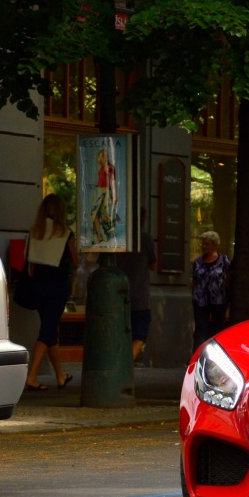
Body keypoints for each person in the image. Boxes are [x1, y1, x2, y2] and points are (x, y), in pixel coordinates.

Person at [23, 193, 80, 390]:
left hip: (37, 286)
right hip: (57, 287)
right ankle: (31, 376)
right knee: (47, 330)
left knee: (50, 329)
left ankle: (60, 375)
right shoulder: (65, 233)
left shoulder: (34, 231)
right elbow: (76, 261)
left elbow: (26, 257)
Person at [115, 210, 158, 363]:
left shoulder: (116, 236)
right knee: (139, 335)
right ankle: (124, 366)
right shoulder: (145, 238)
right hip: (139, 296)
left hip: (117, 295)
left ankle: (120, 364)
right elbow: (154, 265)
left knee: (119, 334)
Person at [191, 230, 231, 349]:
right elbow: (193, 280)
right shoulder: (198, 262)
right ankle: (197, 354)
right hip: (200, 300)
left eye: (207, 244)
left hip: (218, 300)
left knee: (216, 328)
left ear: (215, 245)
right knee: (200, 329)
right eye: (203, 244)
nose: (204, 246)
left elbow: (229, 279)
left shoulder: (223, 261)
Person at [89, 146, 119, 244]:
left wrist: (115, 195)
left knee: (104, 214)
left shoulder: (111, 167)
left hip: (105, 191)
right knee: (94, 214)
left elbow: (113, 181)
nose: (104, 157)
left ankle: (102, 235)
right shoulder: (100, 167)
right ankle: (99, 234)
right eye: (102, 156)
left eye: (105, 156)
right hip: (98, 191)